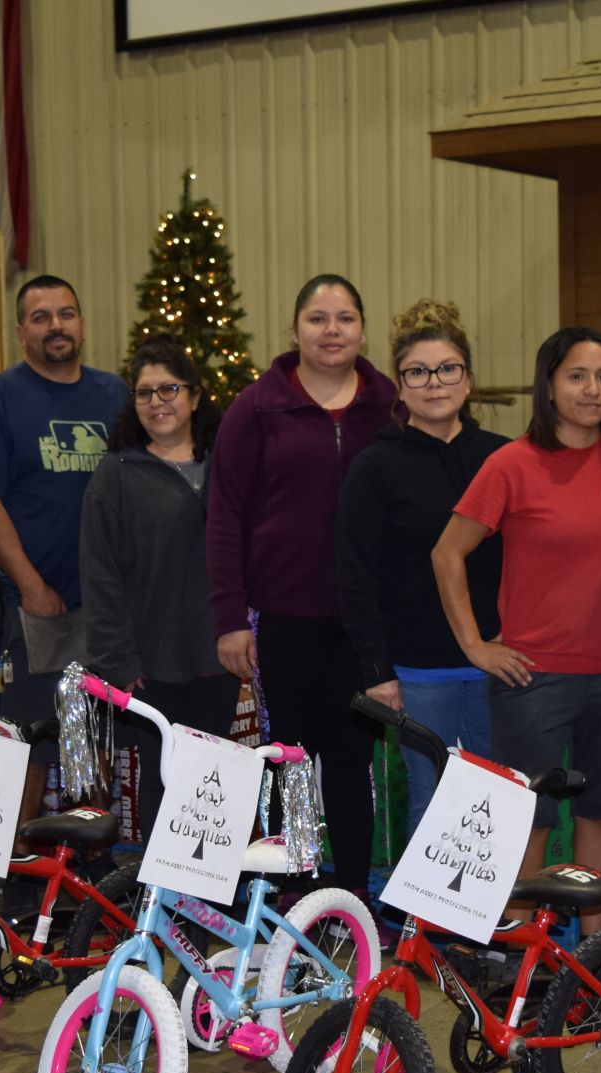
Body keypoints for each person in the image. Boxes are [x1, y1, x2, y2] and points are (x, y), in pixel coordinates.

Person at [432, 327, 601, 938]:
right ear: (548, 384)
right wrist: (474, 645)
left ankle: (595, 958)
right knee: (527, 820)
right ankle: (517, 956)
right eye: (576, 376)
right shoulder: (512, 463)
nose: (591, 390)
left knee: (599, 814)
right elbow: (447, 553)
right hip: (532, 678)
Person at [208, 275, 397, 895]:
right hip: (280, 618)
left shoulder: (389, 406)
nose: (332, 331)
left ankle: (349, 897)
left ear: (363, 329)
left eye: (344, 318)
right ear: (295, 330)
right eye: (318, 318)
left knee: (349, 762)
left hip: (362, 623)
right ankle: (291, 890)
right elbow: (225, 514)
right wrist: (232, 617)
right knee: (288, 760)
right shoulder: (256, 408)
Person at [0, 275, 129, 820]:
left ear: (81, 323)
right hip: (39, 607)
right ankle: (12, 875)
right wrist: (30, 586)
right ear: (20, 331)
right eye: (41, 317)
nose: (56, 325)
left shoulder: (115, 394)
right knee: (30, 743)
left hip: (106, 607)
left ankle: (96, 878)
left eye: (66, 313)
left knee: (97, 739)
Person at [336, 299, 506, 837]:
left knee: (492, 802)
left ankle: (484, 921)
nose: (435, 382)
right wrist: (378, 672)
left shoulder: (503, 459)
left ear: (468, 379)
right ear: (399, 386)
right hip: (417, 671)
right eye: (418, 371)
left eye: (448, 368)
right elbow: (355, 575)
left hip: (495, 666)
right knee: (431, 804)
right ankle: (423, 924)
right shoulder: (374, 467)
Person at [79, 334, 238, 832]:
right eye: (145, 393)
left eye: (168, 389)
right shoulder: (116, 474)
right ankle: (156, 903)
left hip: (221, 656)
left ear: (194, 396)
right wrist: (117, 661)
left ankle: (208, 901)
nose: (157, 402)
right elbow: (99, 573)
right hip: (150, 666)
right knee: (161, 777)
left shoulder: (227, 466)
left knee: (212, 780)